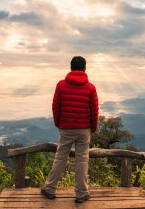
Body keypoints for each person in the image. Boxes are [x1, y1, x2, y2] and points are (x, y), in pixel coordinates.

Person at [41, 56, 99, 203]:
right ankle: (81, 193)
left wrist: (58, 123)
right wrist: (93, 128)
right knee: (82, 160)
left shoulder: (61, 85)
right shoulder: (90, 87)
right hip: (83, 129)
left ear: (71, 68)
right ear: (85, 68)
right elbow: (94, 111)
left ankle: (49, 189)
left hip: (66, 128)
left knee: (60, 158)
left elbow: (56, 107)